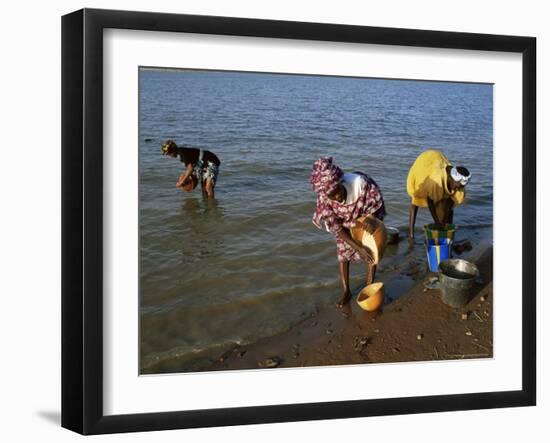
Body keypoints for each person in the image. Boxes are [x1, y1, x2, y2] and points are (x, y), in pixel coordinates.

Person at [310, 157, 386, 308]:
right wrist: (358, 248)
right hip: (343, 222)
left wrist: (370, 218)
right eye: (333, 196)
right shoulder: (324, 200)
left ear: (340, 182)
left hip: (363, 215)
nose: (337, 196)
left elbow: (375, 203)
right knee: (342, 253)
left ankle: (368, 287)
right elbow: (336, 228)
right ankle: (346, 291)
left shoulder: (360, 184)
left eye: (338, 191)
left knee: (371, 249)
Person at [406, 150, 470, 243]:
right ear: (452, 179)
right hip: (424, 164)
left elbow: (451, 203)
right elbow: (430, 201)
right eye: (457, 186)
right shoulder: (436, 180)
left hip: (438, 158)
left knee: (447, 201)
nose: (458, 188)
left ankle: (448, 236)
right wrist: (436, 221)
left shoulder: (458, 183)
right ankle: (411, 234)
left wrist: (446, 225)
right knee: (416, 199)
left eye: (460, 187)